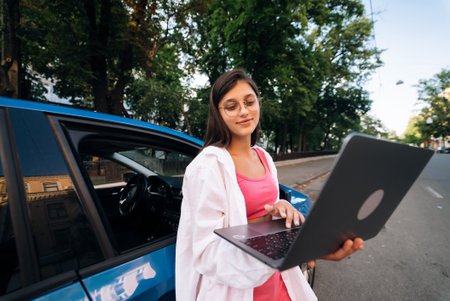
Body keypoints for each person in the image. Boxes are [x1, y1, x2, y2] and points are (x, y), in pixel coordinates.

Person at [175, 68, 364, 301]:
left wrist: (281, 208)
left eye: (249, 101)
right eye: (231, 106)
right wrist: (287, 251)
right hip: (235, 289)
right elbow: (207, 253)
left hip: (278, 281)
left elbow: (264, 213)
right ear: (218, 113)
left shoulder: (264, 156)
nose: (244, 111)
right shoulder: (206, 167)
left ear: (258, 103)